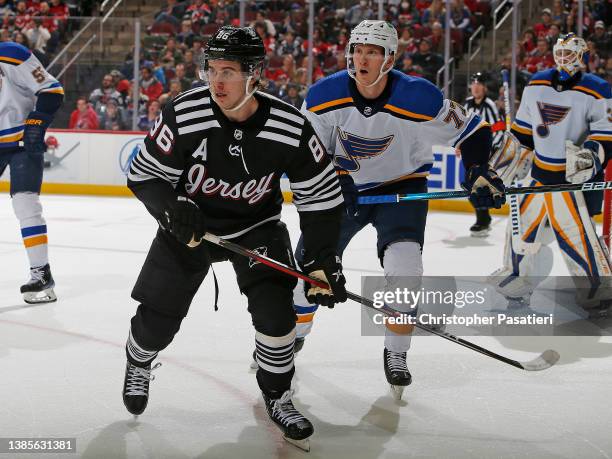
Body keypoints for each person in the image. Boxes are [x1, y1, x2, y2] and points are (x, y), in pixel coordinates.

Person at [122, 26, 347, 451]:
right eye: (211, 70)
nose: (217, 81)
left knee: (277, 316)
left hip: (255, 228)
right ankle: (138, 359)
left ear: (255, 74)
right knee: (157, 322)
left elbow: (320, 198)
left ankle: (278, 393)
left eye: (228, 71)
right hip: (191, 230)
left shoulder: (290, 125)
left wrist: (322, 258)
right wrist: (172, 211)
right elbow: (144, 175)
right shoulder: (184, 113)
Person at [287, 20, 504, 400]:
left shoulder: (420, 97)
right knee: (309, 271)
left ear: (390, 58)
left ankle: (397, 353)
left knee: (405, 274)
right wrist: (332, 184)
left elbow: (473, 131)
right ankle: (293, 338)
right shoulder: (323, 95)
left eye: (372, 51)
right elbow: (307, 154)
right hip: (341, 191)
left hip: (402, 189)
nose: (361, 58)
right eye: (357, 49)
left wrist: (478, 170)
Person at [489, 33, 612, 317]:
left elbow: (605, 135)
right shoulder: (537, 82)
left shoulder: (598, 89)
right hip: (537, 176)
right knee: (520, 229)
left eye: (569, 54)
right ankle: (517, 276)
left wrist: (591, 155)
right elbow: (521, 133)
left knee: (576, 235)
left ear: (582, 56)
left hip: (568, 180)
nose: (563, 58)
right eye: (560, 52)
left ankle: (599, 288)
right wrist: (505, 163)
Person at [0, 41, 63, 303]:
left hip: (22, 138)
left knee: (25, 204)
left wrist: (37, 122)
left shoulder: (12, 55)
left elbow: (52, 90)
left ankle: (41, 273)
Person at [463, 72, 505, 237]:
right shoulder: (466, 104)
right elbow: (460, 128)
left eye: (479, 85)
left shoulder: (490, 106)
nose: (476, 88)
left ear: (485, 88)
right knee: (472, 186)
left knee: (482, 185)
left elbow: (499, 129)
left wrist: (492, 150)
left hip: (485, 154)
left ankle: (483, 220)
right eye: (473, 85)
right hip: (469, 153)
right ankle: (483, 219)